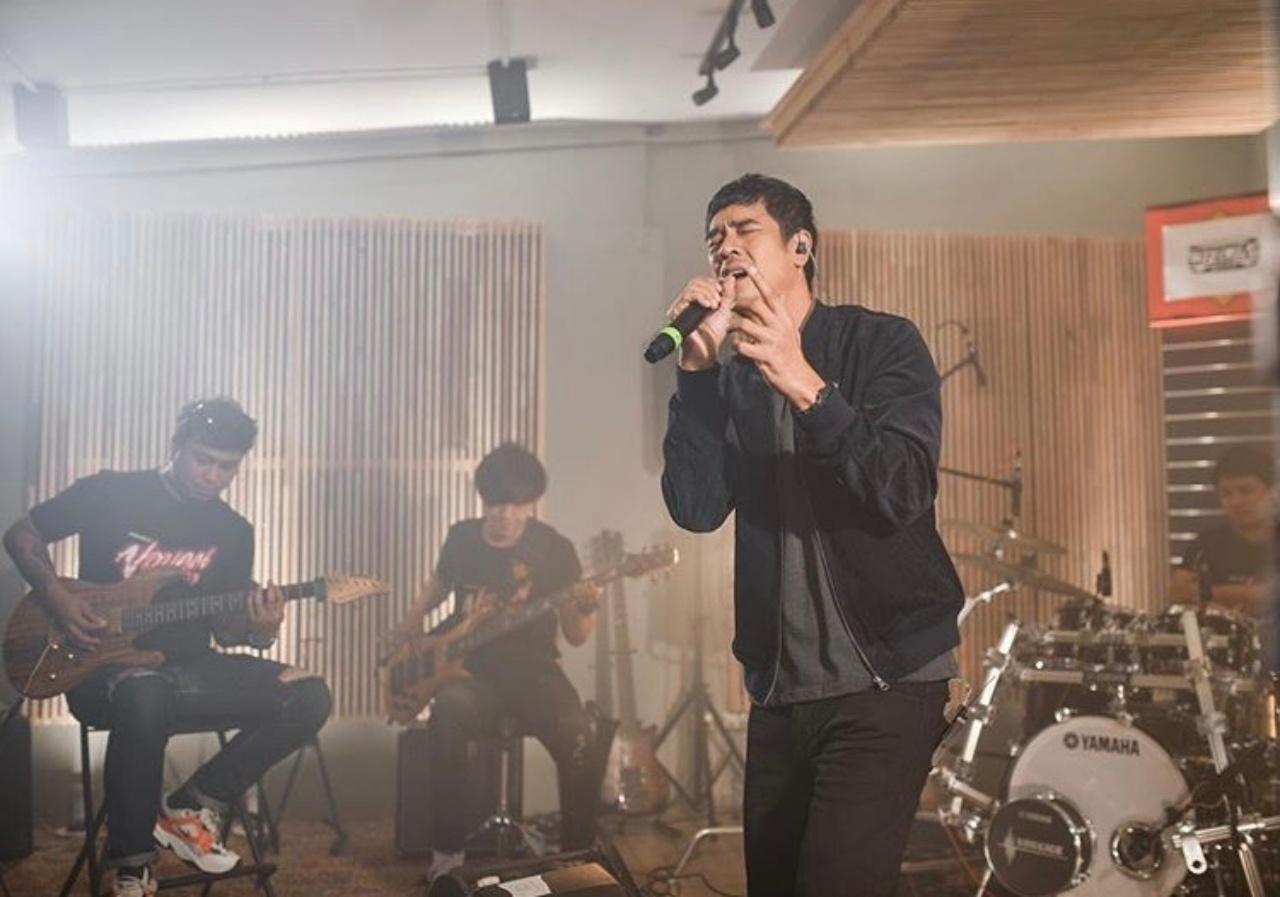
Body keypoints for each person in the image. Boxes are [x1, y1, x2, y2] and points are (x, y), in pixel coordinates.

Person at [659, 174, 964, 897]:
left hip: (887, 680)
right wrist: (697, 376)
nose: (725, 247)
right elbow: (695, 508)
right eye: (714, 238)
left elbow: (902, 488)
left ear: (801, 247)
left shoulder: (880, 342)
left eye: (744, 229)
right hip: (781, 690)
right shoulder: (732, 380)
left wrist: (804, 383)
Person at [2, 398, 332, 897]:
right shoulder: (111, 491)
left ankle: (192, 804)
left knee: (310, 694)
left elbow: (227, 630)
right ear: (178, 445)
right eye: (203, 459)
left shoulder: (233, 531)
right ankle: (133, 865)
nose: (213, 476)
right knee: (145, 693)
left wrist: (261, 630)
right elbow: (22, 533)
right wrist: (58, 597)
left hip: (191, 671)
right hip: (100, 670)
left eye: (227, 466)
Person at [387, 443, 603, 881]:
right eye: (497, 505)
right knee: (447, 715)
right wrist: (410, 624)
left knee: (580, 734)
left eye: (517, 506)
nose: (506, 515)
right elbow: (439, 583)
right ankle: (447, 858)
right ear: (483, 500)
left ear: (532, 503)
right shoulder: (462, 538)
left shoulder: (554, 550)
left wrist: (586, 607)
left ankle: (576, 863)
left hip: (535, 674)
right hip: (470, 673)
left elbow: (577, 637)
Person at [1169, 445, 1275, 617]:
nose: (1235, 501)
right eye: (1226, 493)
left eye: (1246, 491)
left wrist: (1210, 594)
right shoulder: (1206, 545)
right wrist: (1246, 594)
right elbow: (1179, 593)